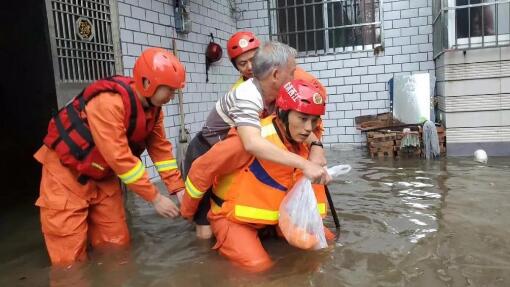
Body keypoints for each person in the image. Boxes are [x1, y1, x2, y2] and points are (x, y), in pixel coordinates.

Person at [34, 48, 186, 266]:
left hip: (103, 177)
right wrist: (155, 198)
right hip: (66, 174)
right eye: (170, 90)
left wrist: (177, 189)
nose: (172, 96)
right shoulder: (109, 103)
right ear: (147, 82)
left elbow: (161, 150)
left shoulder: (154, 111)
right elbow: (120, 158)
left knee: (117, 245)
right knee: (69, 260)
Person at [180, 79, 335, 272]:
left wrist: (317, 148)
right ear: (283, 114)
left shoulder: (305, 143)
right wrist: (187, 211)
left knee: (324, 243)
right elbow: (201, 170)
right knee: (257, 267)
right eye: (303, 119)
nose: (309, 128)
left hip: (275, 218)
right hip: (234, 219)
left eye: (314, 120)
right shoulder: (248, 141)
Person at [182, 41, 330, 239]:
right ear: (276, 75)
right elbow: (252, 143)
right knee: (205, 230)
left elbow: (295, 125)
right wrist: (304, 164)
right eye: (292, 72)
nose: (295, 78)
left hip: (235, 153)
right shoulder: (247, 95)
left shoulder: (280, 93)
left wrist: (316, 147)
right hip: (207, 152)